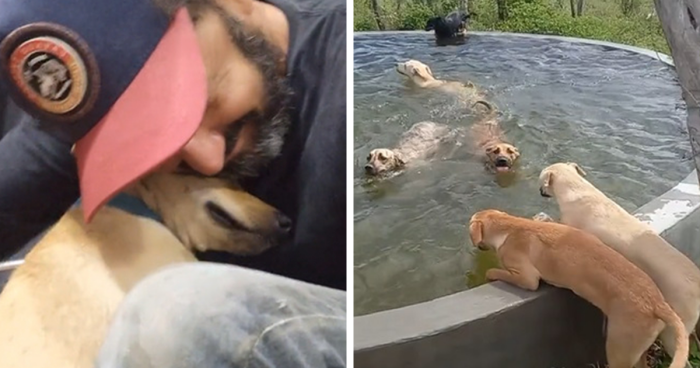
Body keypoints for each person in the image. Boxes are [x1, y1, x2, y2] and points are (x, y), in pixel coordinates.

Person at [0, 0, 347, 366]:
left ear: (232, 6)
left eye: (198, 101)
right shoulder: (87, 118)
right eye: (153, 140)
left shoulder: (341, 88)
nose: (209, 159)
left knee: (179, 314)